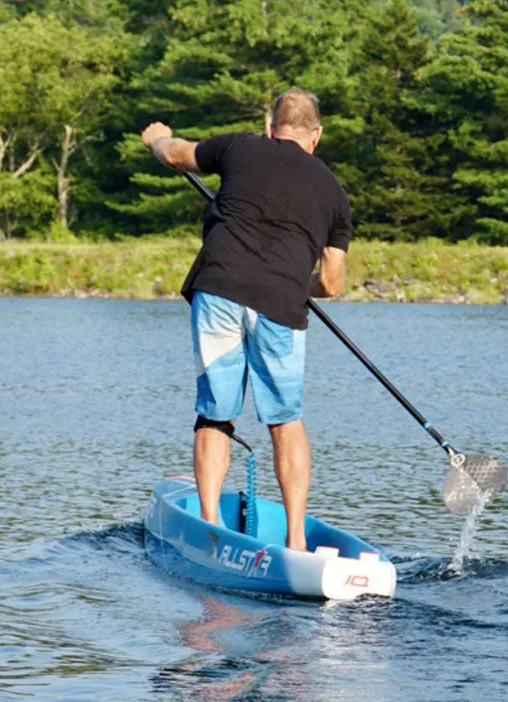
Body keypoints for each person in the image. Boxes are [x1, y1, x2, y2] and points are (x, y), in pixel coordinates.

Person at [140, 88, 351, 551]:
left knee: (216, 415)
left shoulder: (241, 146)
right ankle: (297, 541)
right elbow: (331, 283)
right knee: (286, 421)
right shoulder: (334, 192)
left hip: (219, 290)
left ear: (271, 127)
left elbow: (177, 156)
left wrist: (157, 139)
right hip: (281, 306)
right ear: (316, 136)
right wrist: (297, 283)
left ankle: (210, 528)